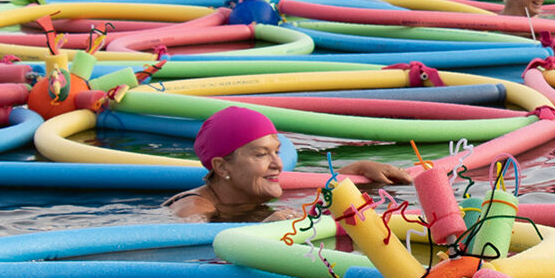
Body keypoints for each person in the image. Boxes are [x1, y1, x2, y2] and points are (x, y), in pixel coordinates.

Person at [166, 105, 412, 222]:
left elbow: (319, 201)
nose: (278, 164)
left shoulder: (246, 195)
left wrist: (358, 170)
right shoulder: (194, 208)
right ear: (222, 167)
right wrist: (262, 228)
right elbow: (188, 242)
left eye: (277, 152)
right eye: (261, 154)